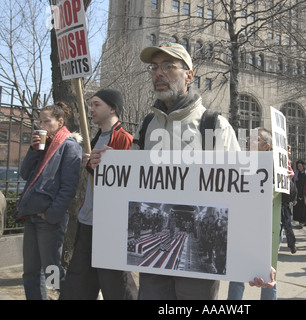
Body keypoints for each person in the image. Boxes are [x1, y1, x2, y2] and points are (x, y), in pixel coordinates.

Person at [133, 41, 240, 300]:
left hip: (198, 267)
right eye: (154, 67)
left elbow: (241, 193)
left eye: (169, 66)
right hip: (152, 266)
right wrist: (104, 163)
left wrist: (254, 255)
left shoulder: (214, 125)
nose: (159, 73)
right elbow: (129, 181)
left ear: (189, 76)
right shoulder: (147, 125)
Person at [59, 89, 138, 300]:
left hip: (109, 225)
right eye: (90, 104)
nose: (91, 109)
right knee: (78, 282)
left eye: (96, 104)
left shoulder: (125, 139)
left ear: (112, 108)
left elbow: (129, 182)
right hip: (88, 221)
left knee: (116, 285)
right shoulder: (94, 138)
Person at [15, 102, 82, 300]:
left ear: (59, 122)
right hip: (31, 215)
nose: (41, 125)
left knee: (52, 271)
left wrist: (52, 214)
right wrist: (33, 150)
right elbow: (24, 174)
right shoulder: (42, 145)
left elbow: (69, 188)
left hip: (49, 219)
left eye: (46, 121)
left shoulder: (69, 146)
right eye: (40, 121)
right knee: (30, 271)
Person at [228, 127, 278, 300]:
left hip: (266, 227)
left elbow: (289, 196)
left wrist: (288, 180)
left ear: (266, 146)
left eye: (255, 139)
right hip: (243, 226)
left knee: (268, 274)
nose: (249, 142)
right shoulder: (240, 162)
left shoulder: (276, 165)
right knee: (236, 272)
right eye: (249, 139)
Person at [293, 160, 306, 228]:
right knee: (298, 208)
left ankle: (304, 221)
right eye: (298, 166)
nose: (299, 168)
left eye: (300, 166)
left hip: (304, 192)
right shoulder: (296, 173)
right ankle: (300, 221)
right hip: (298, 192)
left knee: (304, 208)